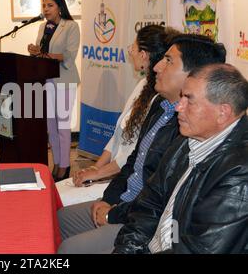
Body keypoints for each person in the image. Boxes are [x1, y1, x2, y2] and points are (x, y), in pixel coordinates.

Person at [57, 34, 227, 254]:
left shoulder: (192, 127)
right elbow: (133, 162)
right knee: (60, 218)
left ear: (192, 75)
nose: (156, 67)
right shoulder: (159, 105)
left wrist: (113, 213)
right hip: (122, 203)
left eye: (168, 61)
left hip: (142, 221)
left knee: (71, 249)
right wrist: (108, 200)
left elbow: (160, 199)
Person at [114, 63, 248, 254]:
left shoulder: (241, 170)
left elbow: (200, 249)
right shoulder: (185, 140)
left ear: (223, 112)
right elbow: (148, 205)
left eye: (188, 99)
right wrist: (126, 250)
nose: (178, 107)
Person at [71, 25, 180, 187]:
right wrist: (95, 167)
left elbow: (134, 154)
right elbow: (117, 137)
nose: (130, 51)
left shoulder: (159, 99)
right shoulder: (142, 85)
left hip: (124, 178)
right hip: (114, 174)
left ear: (143, 55)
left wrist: (98, 173)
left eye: (133, 47)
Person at [27, 0, 80, 182]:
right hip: (46, 80)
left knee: (63, 126)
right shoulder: (43, 27)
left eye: (49, 5)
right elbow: (43, 52)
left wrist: (44, 54)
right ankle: (56, 162)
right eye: (43, 6)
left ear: (59, 7)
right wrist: (34, 51)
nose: (46, 9)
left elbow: (68, 55)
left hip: (64, 80)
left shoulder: (71, 26)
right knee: (51, 126)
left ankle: (65, 165)